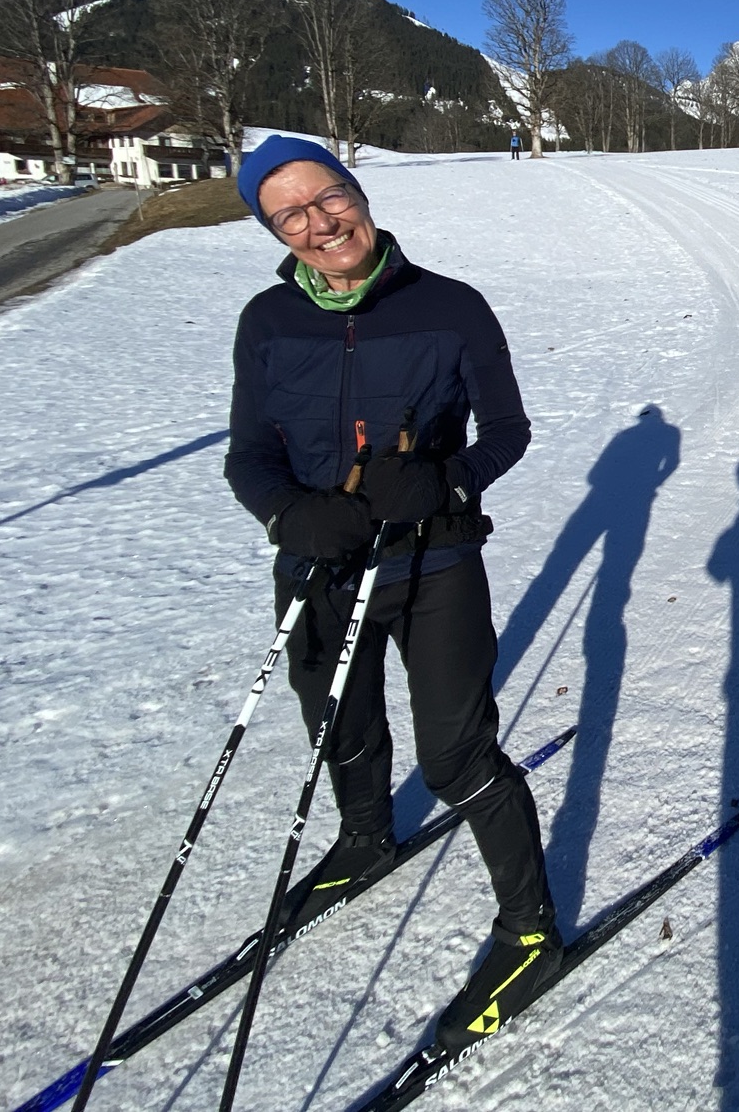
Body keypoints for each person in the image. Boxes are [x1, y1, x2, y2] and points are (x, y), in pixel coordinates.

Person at [222, 133, 559, 1051]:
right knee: (341, 728)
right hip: (320, 566)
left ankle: (531, 931)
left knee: (455, 759)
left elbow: (509, 430)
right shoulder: (267, 321)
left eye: (328, 197)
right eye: (290, 214)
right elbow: (247, 455)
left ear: (356, 191)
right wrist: (289, 514)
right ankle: (365, 838)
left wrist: (446, 482)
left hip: (434, 564)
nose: (320, 223)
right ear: (274, 231)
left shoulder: (451, 306)